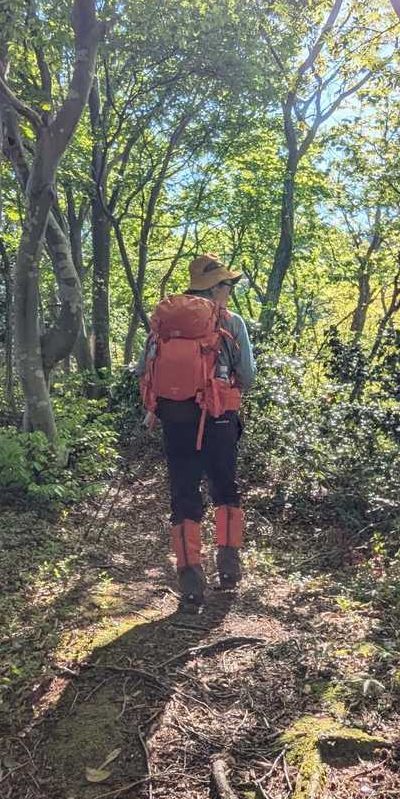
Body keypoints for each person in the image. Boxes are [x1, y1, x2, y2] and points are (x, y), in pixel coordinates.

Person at [137, 253, 256, 613]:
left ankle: (190, 583)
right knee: (225, 490)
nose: (230, 291)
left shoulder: (165, 323)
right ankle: (229, 569)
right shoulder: (231, 322)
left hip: (175, 419)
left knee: (183, 495)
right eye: (228, 284)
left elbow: (143, 369)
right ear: (216, 287)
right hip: (218, 418)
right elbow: (248, 377)